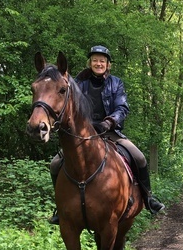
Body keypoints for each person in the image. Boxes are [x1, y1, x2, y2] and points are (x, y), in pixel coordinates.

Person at [48, 45, 165, 223]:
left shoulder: (116, 83)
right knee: (55, 164)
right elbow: (68, 105)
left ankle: (148, 198)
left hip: (110, 132)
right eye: (95, 60)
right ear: (90, 63)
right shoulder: (80, 83)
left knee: (139, 158)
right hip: (83, 135)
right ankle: (60, 207)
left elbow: (122, 107)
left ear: (108, 64)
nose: (98, 63)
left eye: (102, 60)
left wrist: (109, 122)